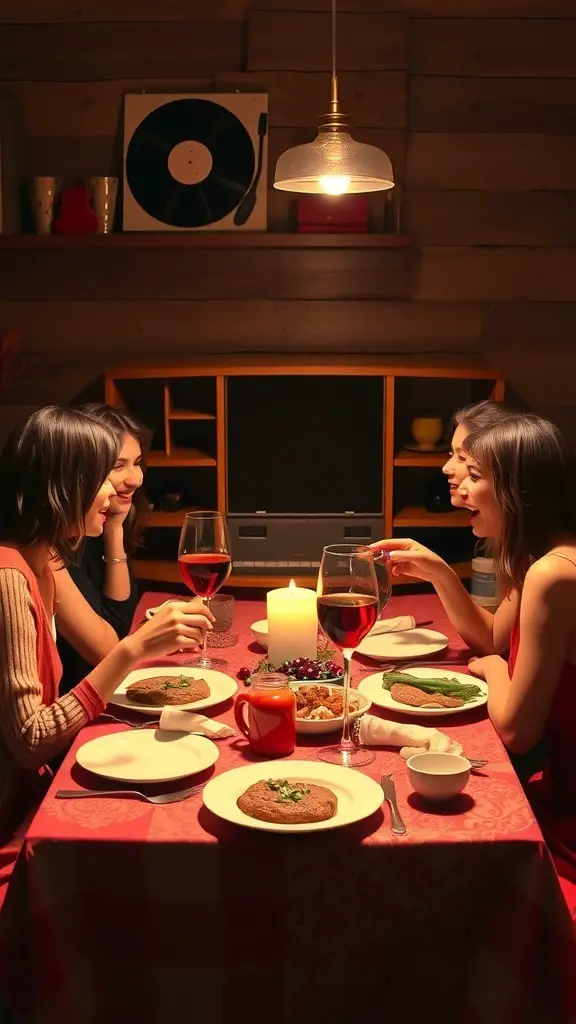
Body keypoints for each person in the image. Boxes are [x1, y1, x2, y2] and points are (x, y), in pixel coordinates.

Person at [0, 406, 212, 903]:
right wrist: (134, 649)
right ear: (62, 484)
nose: (115, 491)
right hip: (13, 824)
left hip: (31, 799)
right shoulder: (9, 577)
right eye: (102, 477)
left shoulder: (42, 561)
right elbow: (30, 741)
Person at [374, 413, 576, 917]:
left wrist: (492, 667)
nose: (459, 490)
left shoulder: (555, 572)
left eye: (474, 474)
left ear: (517, 488)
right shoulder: (545, 556)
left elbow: (515, 729)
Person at [55, 403, 148, 692]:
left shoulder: (96, 527)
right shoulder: (48, 546)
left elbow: (119, 624)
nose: (135, 478)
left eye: (138, 462)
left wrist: (114, 528)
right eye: (118, 466)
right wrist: (152, 637)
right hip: (73, 696)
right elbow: (106, 651)